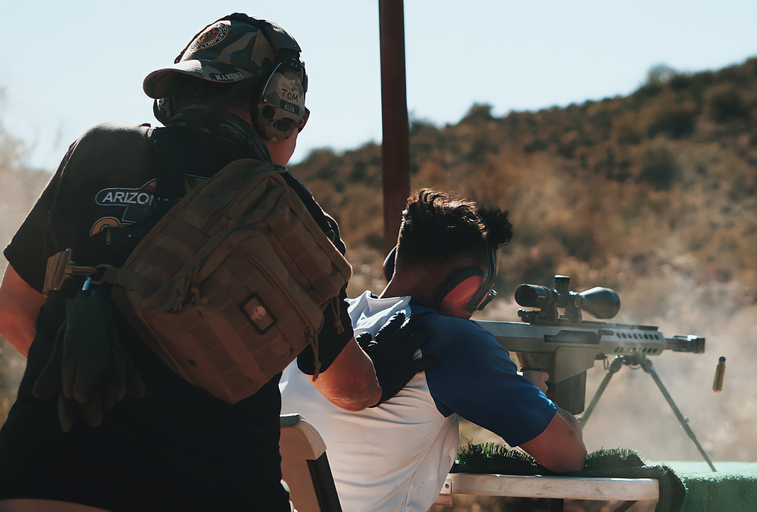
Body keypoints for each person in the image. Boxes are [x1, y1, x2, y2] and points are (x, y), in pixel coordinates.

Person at [0, 14, 430, 512]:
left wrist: (104, 389)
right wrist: (385, 375)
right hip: (211, 488)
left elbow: (13, 310)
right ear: (281, 110)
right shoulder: (294, 220)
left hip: (41, 477)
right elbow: (347, 387)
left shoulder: (98, 151)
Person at [280, 189, 587, 512]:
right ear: (466, 287)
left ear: (394, 261)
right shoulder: (448, 340)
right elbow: (568, 455)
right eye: (483, 293)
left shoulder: (330, 325)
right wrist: (536, 391)